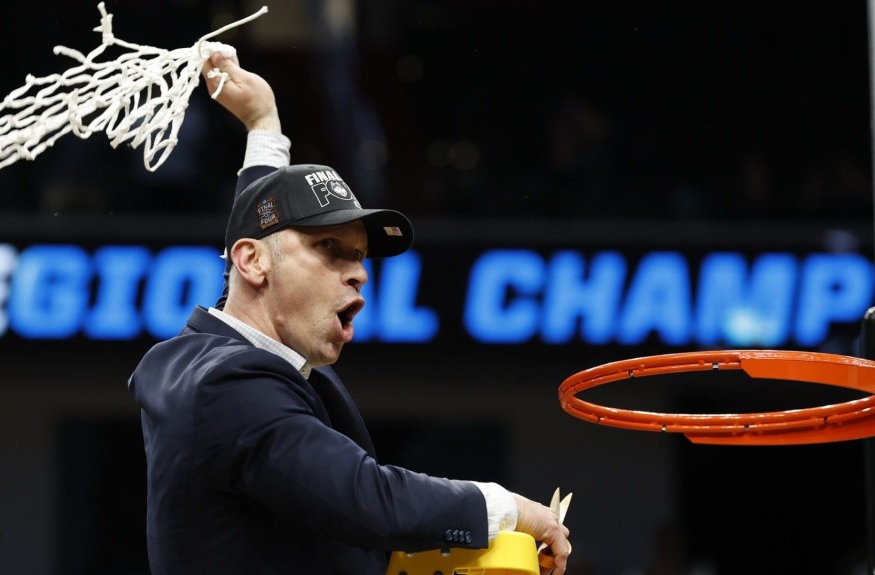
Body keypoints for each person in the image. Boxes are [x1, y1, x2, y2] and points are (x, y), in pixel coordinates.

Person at [127, 51, 572, 575]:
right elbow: (368, 501)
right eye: (330, 249)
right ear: (252, 263)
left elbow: (255, 245)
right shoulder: (229, 384)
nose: (358, 272)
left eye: (359, 255)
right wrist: (510, 509)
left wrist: (263, 126)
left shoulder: (216, 353)